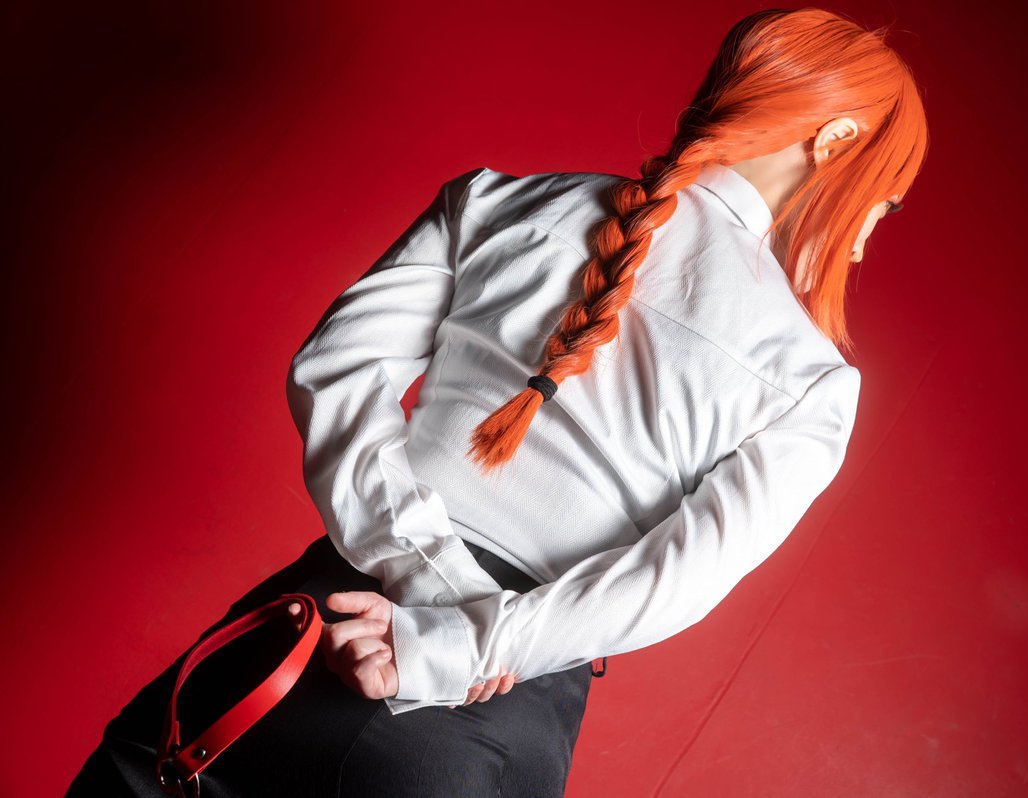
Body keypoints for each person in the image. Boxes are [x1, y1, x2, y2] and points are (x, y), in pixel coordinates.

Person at [66, 7, 929, 796]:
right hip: (485, 719)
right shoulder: (812, 378)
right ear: (835, 139)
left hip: (294, 644)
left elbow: (332, 371)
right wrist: (466, 639)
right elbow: (675, 580)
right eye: (880, 204)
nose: (859, 244)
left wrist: (427, 574)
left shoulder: (493, 201)